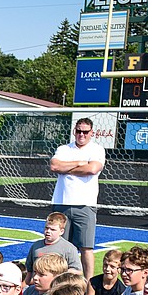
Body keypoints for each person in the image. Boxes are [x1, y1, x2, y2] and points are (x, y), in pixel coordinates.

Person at [48, 118, 104, 284]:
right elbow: (54, 166)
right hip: (61, 203)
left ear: (91, 133)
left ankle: (88, 283)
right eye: (79, 131)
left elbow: (92, 169)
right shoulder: (64, 148)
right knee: (58, 246)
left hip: (85, 204)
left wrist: (67, 168)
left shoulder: (97, 149)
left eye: (85, 132)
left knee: (86, 247)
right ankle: (59, 280)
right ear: (74, 131)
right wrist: (80, 163)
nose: (81, 134)